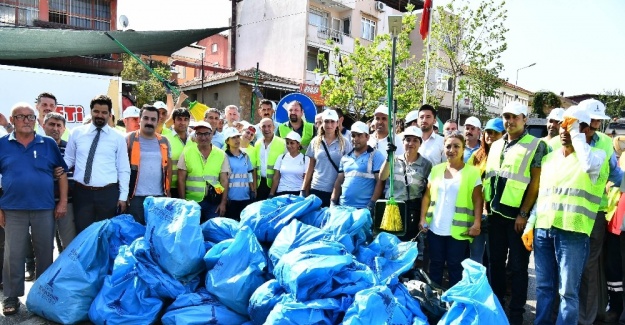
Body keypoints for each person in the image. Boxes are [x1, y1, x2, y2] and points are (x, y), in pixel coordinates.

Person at [524, 107, 608, 324]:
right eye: (563, 126)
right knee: (544, 288)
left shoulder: (597, 156)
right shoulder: (550, 159)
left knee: (567, 293)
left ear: (586, 130)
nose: (563, 131)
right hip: (544, 230)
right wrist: (530, 224)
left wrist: (578, 134)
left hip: (573, 232)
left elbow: (589, 165)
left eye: (570, 126)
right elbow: (543, 196)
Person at [0, 102, 68, 316]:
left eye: (30, 117)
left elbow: (61, 173)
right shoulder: (2, 144)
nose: (27, 121)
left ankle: (43, 295)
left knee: (45, 252)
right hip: (12, 209)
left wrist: (63, 202)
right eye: (21, 117)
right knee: (13, 254)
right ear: (12, 121)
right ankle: (12, 296)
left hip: (44, 208)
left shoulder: (48, 143)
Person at [483, 101, 548, 325]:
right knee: (495, 263)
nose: (509, 121)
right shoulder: (497, 144)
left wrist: (523, 213)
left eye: (514, 117)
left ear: (524, 119)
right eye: (506, 116)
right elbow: (491, 177)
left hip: (517, 218)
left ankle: (516, 314)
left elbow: (535, 183)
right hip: (495, 215)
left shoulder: (536, 145)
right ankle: (497, 306)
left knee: (519, 268)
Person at [574, 98, 624, 325]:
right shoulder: (563, 141)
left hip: (594, 216)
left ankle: (585, 319)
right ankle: (564, 316)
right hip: (564, 215)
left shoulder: (604, 142)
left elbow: (615, 175)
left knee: (588, 269)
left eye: (598, 120)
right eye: (592, 119)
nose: (595, 124)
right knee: (565, 270)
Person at [419, 132, 482, 288]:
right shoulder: (436, 170)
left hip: (458, 231)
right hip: (435, 228)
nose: (452, 150)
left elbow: (478, 199)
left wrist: (477, 223)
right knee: (435, 265)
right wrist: (422, 219)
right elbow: (427, 196)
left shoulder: (472, 172)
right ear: (443, 149)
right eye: (448, 146)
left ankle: (454, 304)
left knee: (455, 268)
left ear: (463, 149)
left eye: (456, 146)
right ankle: (434, 302)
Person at [65, 95, 130, 234]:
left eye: (104, 112)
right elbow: (69, 159)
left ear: (110, 114)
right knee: (83, 234)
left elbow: (124, 169)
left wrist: (123, 197)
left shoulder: (118, 138)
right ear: (91, 111)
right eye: (96, 111)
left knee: (106, 235)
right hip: (82, 193)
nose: (100, 115)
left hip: (108, 194)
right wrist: (57, 168)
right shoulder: (76, 133)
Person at [379, 126, 432, 241]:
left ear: (420, 143)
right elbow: (382, 177)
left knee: (408, 243)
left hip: (413, 210)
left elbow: (428, 192)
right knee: (390, 243)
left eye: (415, 140)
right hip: (392, 208)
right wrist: (389, 157)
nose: (411, 143)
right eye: (408, 140)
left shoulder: (426, 164)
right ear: (403, 142)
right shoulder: (393, 159)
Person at [467, 117, 504, 264]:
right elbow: (468, 179)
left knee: (493, 257)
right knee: (475, 256)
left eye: (495, 133)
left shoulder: (506, 156)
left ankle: (491, 285)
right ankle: (475, 286)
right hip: (477, 213)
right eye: (488, 132)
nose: (491, 136)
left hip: (497, 214)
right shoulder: (477, 156)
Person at [126, 105, 171, 225]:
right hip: (135, 197)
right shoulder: (129, 139)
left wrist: (168, 193)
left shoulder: (164, 141)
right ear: (139, 119)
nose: (149, 122)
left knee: (156, 233)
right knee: (136, 233)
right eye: (146, 118)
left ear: (157, 121)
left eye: (153, 119)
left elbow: (168, 168)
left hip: (159, 197)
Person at [177, 121, 229, 222]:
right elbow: (181, 179)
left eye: (206, 134)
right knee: (192, 232)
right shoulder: (187, 152)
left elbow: (224, 180)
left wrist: (223, 203)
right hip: (192, 202)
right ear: (195, 136)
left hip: (213, 202)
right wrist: (183, 202)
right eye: (199, 134)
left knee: (212, 232)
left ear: (212, 135)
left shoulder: (221, 154)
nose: (203, 137)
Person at [331, 121, 385, 211]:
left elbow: (380, 182)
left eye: (359, 135)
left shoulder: (376, 155)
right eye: (353, 135)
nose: (355, 138)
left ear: (367, 137)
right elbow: (339, 181)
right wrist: (333, 201)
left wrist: (372, 204)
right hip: (343, 207)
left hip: (363, 209)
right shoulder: (345, 158)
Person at [303, 109, 352, 207]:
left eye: (332, 121)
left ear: (337, 123)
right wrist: (304, 189)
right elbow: (310, 167)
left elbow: (349, 168)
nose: (329, 125)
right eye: (326, 121)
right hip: (316, 187)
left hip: (335, 190)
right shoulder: (315, 141)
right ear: (322, 123)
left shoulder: (345, 143)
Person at [43, 112, 76, 251]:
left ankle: (68, 272)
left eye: (59, 125)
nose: (55, 128)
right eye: (51, 124)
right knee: (43, 246)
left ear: (64, 129)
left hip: (67, 203)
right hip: (42, 204)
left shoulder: (71, 148)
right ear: (43, 126)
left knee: (70, 244)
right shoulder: (36, 147)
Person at [223, 128, 255, 221]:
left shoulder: (245, 156)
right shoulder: (224, 156)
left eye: (238, 137)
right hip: (231, 199)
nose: (237, 140)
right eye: (233, 138)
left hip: (245, 197)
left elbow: (249, 173)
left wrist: (252, 190)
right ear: (227, 141)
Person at [253, 118, 286, 200]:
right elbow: (255, 166)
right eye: (263, 126)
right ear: (260, 129)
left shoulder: (282, 143)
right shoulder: (257, 144)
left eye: (269, 126)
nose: (266, 129)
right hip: (260, 184)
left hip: (276, 185)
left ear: (273, 127)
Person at [164, 108, 193, 199]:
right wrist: (167, 189)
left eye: (185, 120)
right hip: (171, 188)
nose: (182, 122)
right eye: (179, 119)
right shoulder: (166, 139)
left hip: (189, 187)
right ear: (173, 121)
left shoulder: (193, 140)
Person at [270, 131, 310, 197]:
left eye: (292, 143)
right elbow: (276, 177)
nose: (289, 145)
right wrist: (271, 194)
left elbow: (307, 179)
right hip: (281, 193)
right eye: (287, 143)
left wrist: (306, 195)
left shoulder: (305, 159)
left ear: (298, 144)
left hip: (298, 193)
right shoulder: (281, 157)